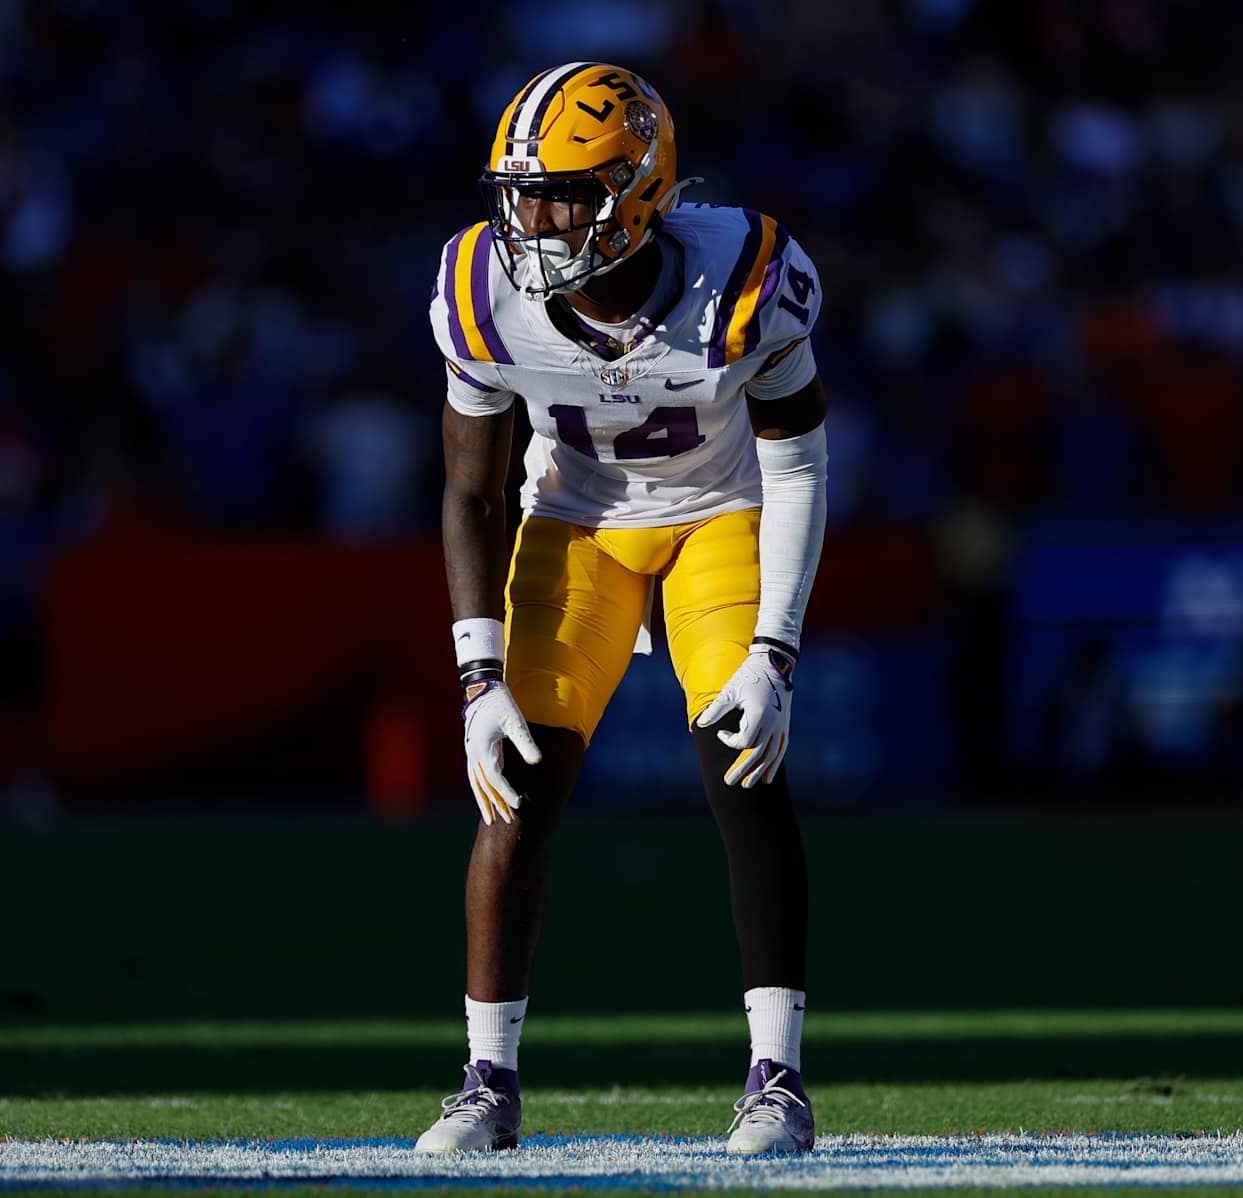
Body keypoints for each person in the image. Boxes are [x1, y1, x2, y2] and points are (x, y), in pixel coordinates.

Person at [418, 62, 829, 1155]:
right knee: (515, 788)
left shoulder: (744, 276)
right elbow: (468, 485)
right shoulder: (481, 289)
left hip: (719, 512)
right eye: (520, 189)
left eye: (559, 191)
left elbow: (797, 468)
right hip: (577, 524)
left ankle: (777, 1076)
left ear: (638, 190)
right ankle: (485, 1080)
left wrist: (776, 654)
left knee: (743, 759)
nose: (531, 217)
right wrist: (476, 675)